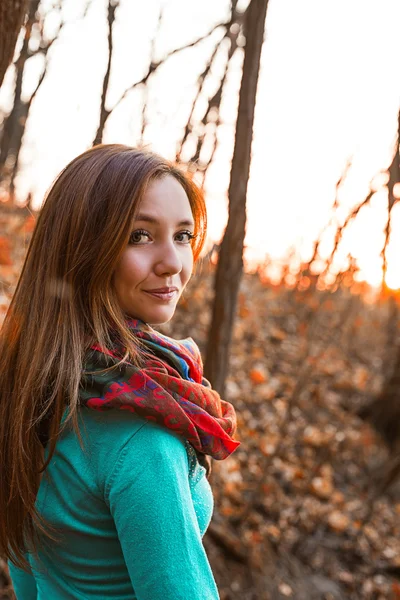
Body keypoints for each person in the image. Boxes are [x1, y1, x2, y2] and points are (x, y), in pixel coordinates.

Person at [0, 144, 241, 600]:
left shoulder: (29, 385)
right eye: (140, 236)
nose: (173, 262)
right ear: (84, 248)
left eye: (184, 236)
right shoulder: (143, 435)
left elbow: (29, 576)